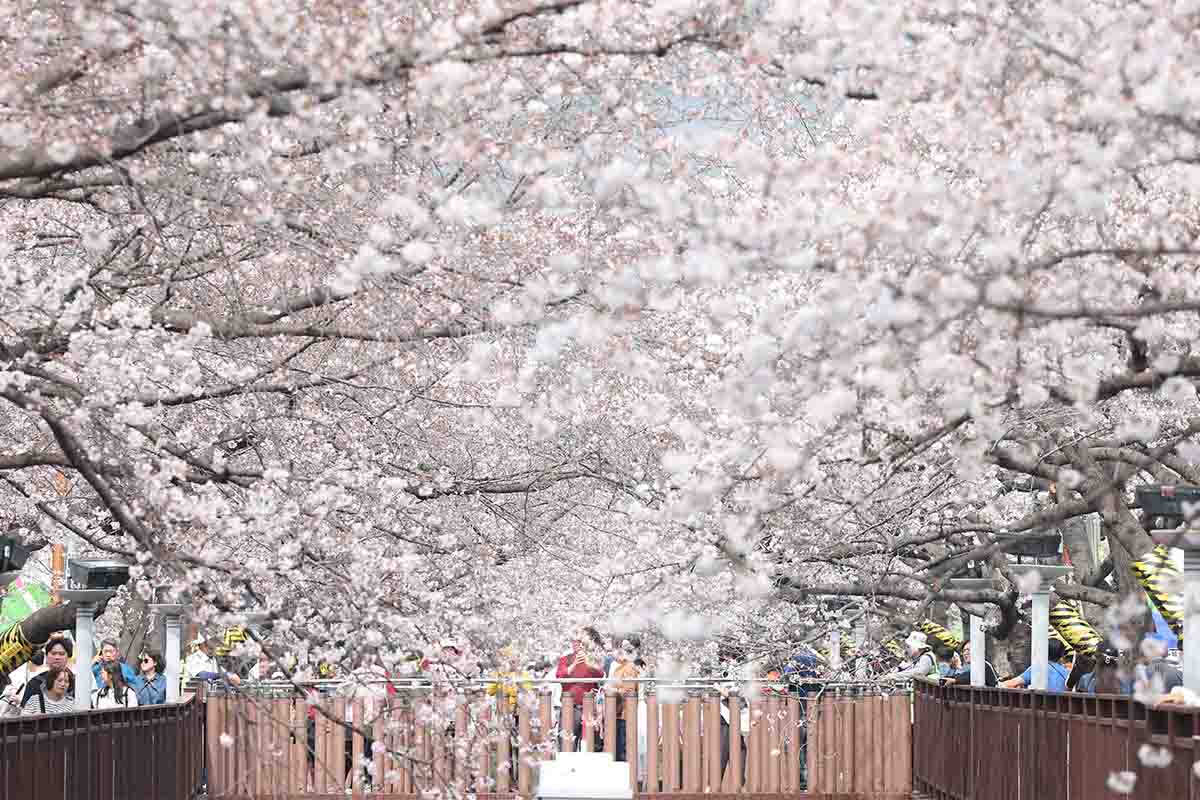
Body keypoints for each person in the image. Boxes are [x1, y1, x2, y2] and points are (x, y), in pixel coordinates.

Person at [556, 627, 605, 751]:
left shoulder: (592, 659)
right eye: (575, 641)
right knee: (566, 744)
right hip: (570, 707)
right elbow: (559, 675)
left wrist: (589, 664)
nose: (578, 644)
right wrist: (573, 666)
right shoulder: (565, 659)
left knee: (589, 745)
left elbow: (600, 675)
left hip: (588, 707)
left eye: (581, 642)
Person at [608, 636, 642, 763]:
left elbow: (629, 690)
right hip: (617, 713)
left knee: (622, 749)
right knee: (618, 748)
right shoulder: (618, 668)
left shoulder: (629, 667)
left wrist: (614, 691)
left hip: (625, 714)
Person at [20, 636, 75, 706]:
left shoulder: (77, 683)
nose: (57, 657)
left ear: (68, 657)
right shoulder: (35, 682)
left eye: (61, 654)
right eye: (53, 653)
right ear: (46, 656)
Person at [1000, 639, 1071, 691]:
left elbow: (1008, 684)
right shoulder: (1067, 673)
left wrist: (999, 683)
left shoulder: (1038, 668)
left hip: (1041, 708)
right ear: (1062, 655)